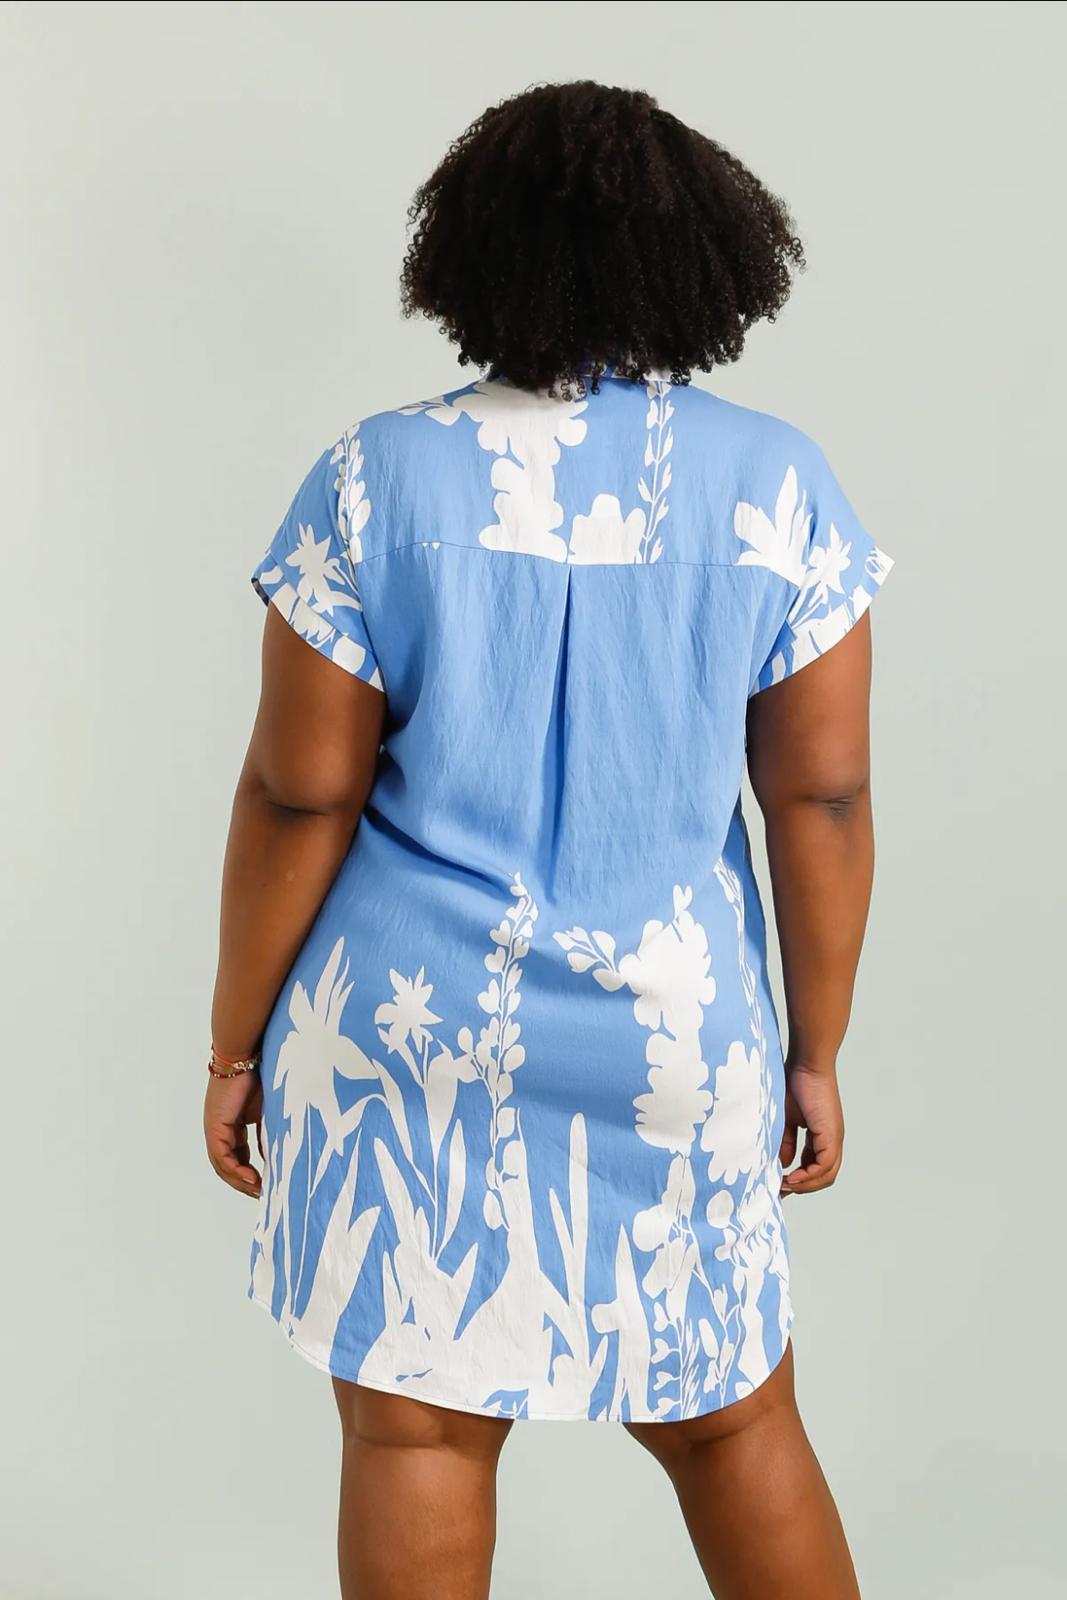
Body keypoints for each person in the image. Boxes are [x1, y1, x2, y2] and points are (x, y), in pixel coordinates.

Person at [205, 79, 892, 1600]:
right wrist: (816, 1051)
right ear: (705, 254)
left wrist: (233, 1043)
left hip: (412, 1033)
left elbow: (300, 795)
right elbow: (822, 799)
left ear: (471, 251)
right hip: (676, 1032)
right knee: (733, 1421)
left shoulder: (375, 477)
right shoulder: (779, 484)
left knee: (414, 1430)